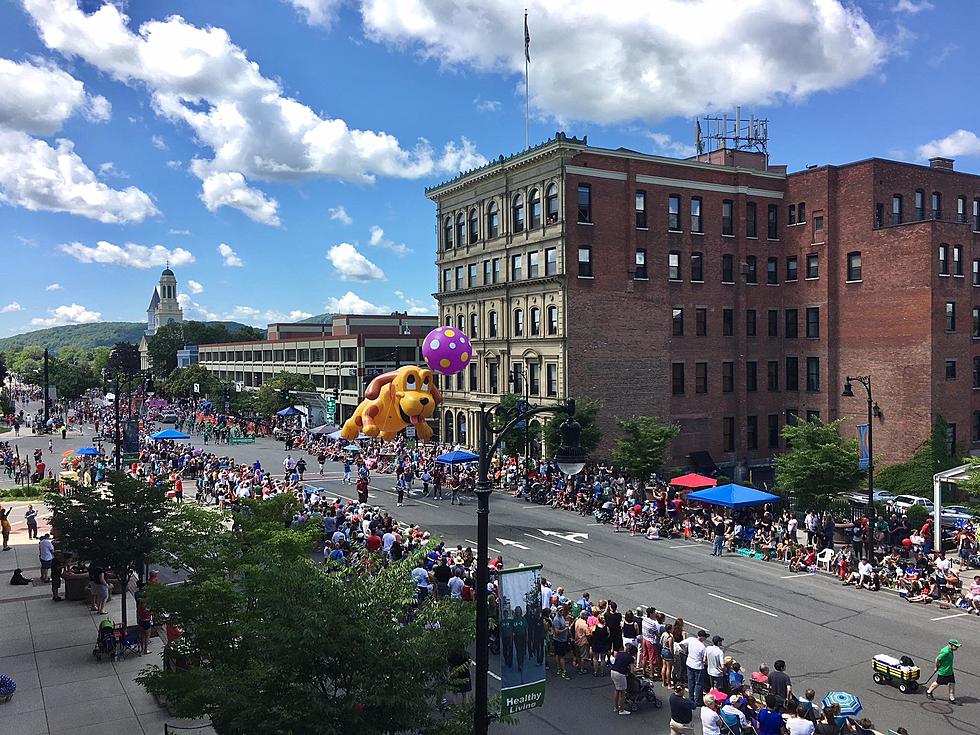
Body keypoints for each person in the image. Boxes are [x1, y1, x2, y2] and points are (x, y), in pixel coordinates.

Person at [926, 639, 961, 705]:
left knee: (952, 683)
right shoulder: (946, 652)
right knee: (938, 682)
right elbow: (937, 659)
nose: (957, 648)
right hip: (944, 671)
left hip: (949, 671)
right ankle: (929, 691)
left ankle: (952, 698)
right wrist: (936, 667)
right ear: (950, 645)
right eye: (956, 646)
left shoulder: (950, 650)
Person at [683, 629, 708, 705]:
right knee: (698, 683)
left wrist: (685, 651)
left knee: (690, 681)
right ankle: (698, 701)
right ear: (702, 637)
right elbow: (704, 659)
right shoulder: (702, 647)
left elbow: (681, 644)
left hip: (689, 663)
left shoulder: (691, 639)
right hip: (698, 666)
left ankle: (691, 698)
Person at [610, 643, 635, 715]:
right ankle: (621, 710)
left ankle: (616, 707)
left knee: (617, 690)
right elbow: (632, 670)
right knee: (622, 692)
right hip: (620, 674)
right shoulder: (630, 658)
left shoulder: (620, 654)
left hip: (613, 671)